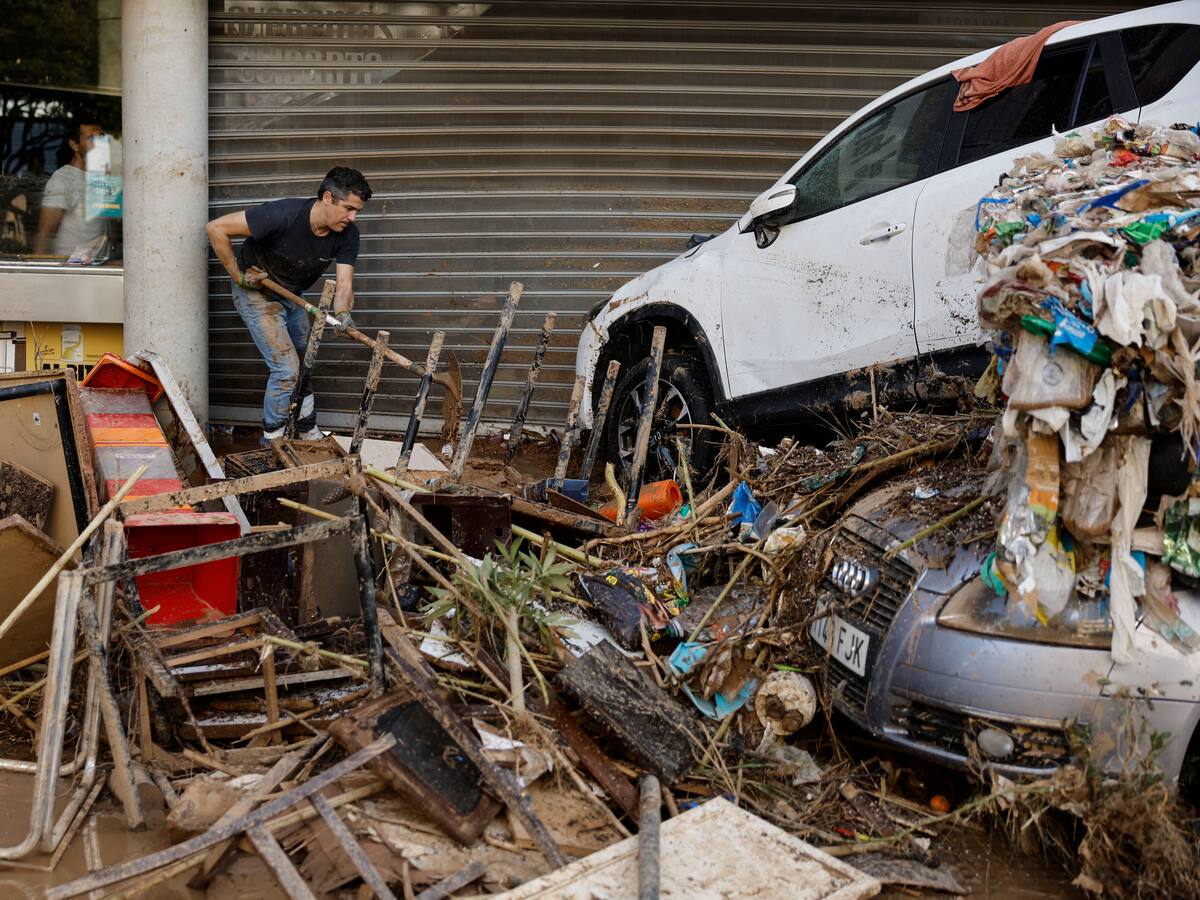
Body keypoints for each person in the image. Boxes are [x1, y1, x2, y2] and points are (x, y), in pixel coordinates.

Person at [206, 166, 371, 443]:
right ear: (328, 198)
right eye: (348, 208)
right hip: (257, 292)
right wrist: (237, 275)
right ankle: (272, 440)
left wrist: (343, 312)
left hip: (292, 295)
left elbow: (343, 285)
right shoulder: (283, 215)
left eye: (357, 211)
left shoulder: (348, 235)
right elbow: (216, 228)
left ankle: (306, 427)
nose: (352, 217)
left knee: (304, 363)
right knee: (286, 369)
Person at [34, 117, 107, 257]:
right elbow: (44, 235)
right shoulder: (64, 179)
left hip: (98, 272)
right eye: (91, 138)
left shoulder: (100, 178)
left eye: (102, 137)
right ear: (75, 145)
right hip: (71, 273)